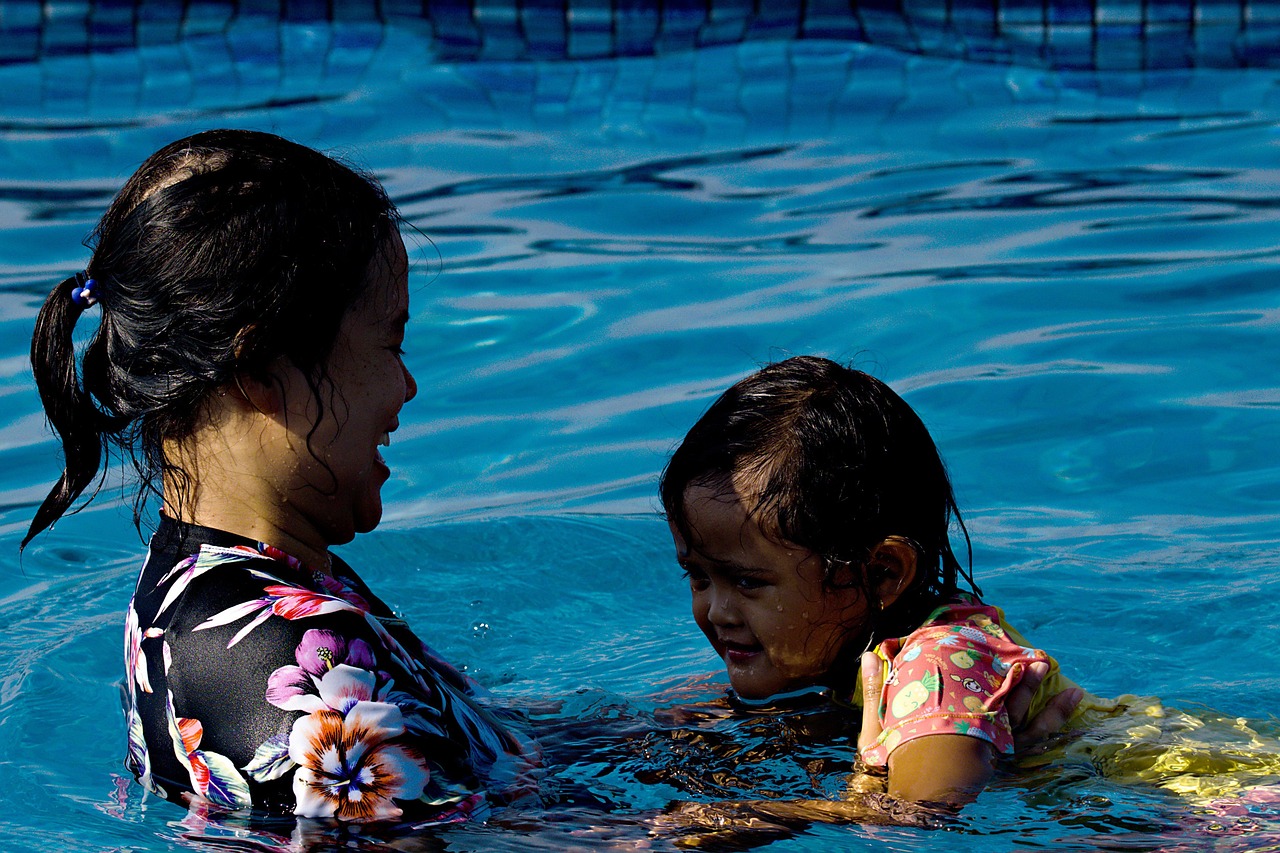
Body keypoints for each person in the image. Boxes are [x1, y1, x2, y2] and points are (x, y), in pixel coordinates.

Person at [23, 129, 535, 829]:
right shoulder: (286, 661)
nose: (407, 386)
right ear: (259, 372)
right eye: (389, 343)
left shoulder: (226, 590)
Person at [659, 355, 1084, 809]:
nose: (717, 611)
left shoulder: (936, 669)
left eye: (747, 582)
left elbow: (918, 819)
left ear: (882, 574)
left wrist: (732, 821)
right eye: (698, 576)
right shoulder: (836, 656)